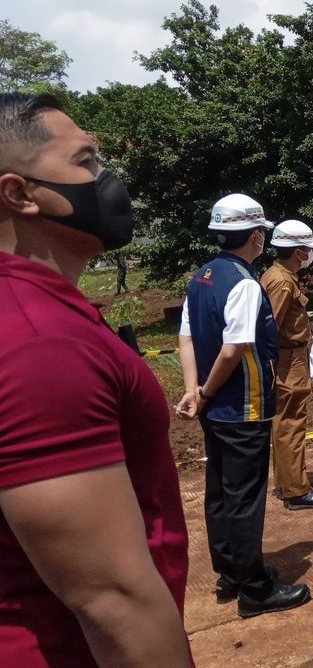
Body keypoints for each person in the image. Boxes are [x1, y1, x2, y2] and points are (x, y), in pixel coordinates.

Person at [0, 92, 191, 666]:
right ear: (19, 194)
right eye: (85, 161)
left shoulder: (37, 313)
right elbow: (112, 599)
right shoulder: (41, 342)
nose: (106, 178)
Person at [176, 193, 311, 618]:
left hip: (215, 405)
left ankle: (230, 574)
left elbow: (185, 336)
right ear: (255, 235)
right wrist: (206, 393)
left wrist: (194, 390)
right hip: (243, 404)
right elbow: (233, 350)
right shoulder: (244, 283)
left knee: (220, 490)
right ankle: (255, 589)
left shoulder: (203, 276)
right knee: (245, 497)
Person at [262, 219, 313, 510]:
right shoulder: (282, 282)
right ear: (299, 252)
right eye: (307, 249)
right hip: (287, 359)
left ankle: (291, 480)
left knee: (285, 422)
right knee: (291, 422)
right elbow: (270, 327)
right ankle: (295, 490)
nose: (309, 255)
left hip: (289, 357)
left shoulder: (277, 275)